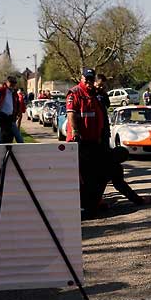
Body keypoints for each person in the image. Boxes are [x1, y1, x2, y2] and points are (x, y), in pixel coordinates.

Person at [66, 67, 109, 218]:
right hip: (80, 141)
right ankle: (84, 206)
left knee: (94, 174)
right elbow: (71, 114)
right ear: (82, 78)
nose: (90, 82)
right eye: (87, 79)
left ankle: (92, 204)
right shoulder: (75, 93)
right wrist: (76, 132)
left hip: (93, 141)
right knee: (83, 175)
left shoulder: (95, 94)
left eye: (91, 79)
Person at [0, 76, 22, 143]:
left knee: (18, 136)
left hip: (10, 118)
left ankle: (23, 150)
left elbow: (15, 104)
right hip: (1, 118)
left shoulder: (14, 93)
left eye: (15, 82)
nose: (13, 84)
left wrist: (17, 112)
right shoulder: (0, 91)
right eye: (11, 82)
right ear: (7, 82)